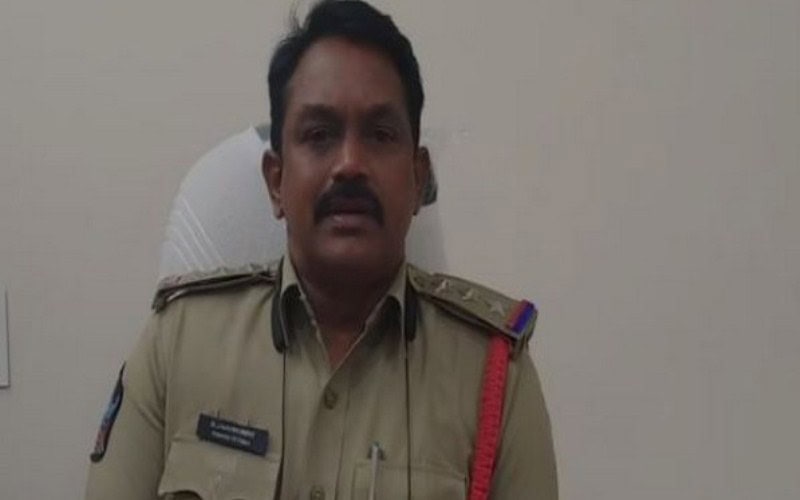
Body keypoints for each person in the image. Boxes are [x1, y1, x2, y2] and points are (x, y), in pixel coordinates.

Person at [84, 1, 557, 498]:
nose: (350, 163)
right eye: (319, 135)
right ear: (276, 181)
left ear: (418, 179)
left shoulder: (494, 377)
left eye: (380, 134)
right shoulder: (178, 344)